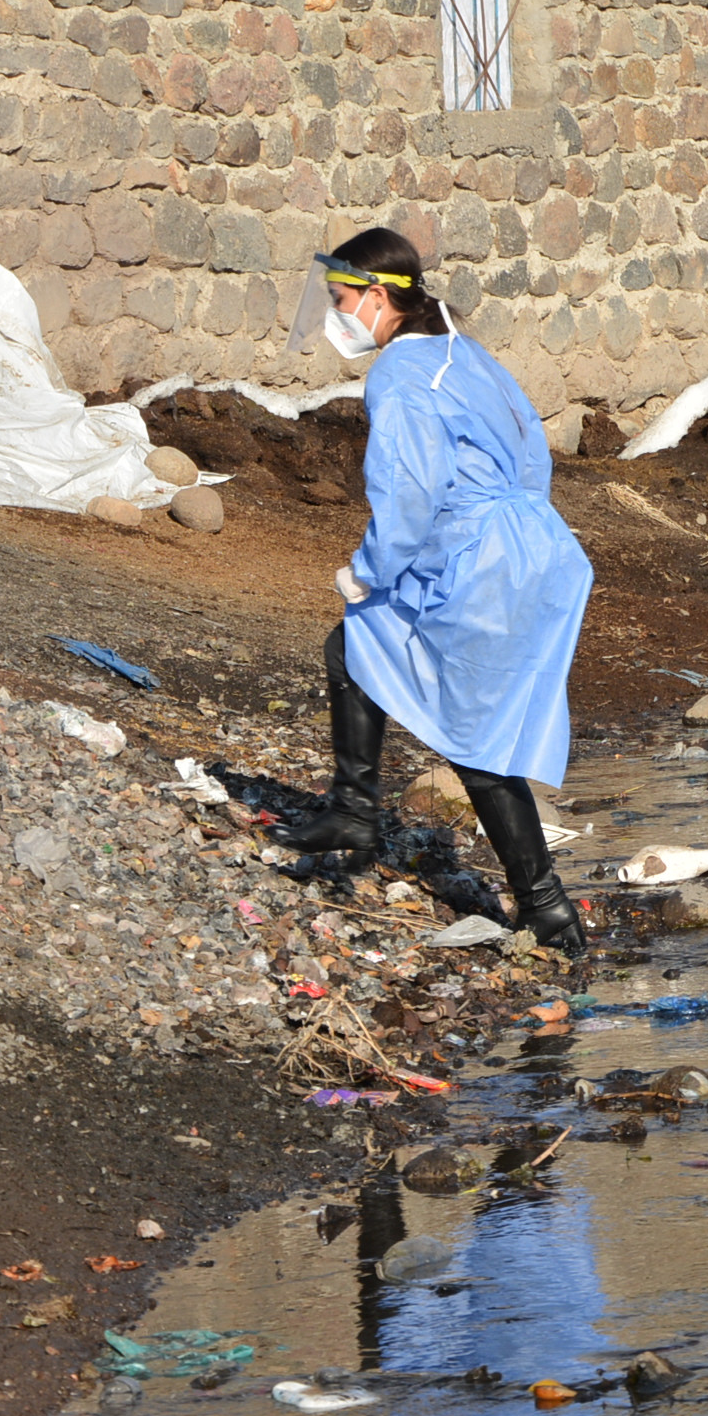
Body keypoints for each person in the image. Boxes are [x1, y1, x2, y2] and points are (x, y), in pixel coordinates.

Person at [270, 227, 593, 956]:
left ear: (380, 298)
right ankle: (356, 811)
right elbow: (526, 450)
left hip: (483, 558)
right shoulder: (462, 353)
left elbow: (410, 494)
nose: (337, 314)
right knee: (356, 650)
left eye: (342, 299)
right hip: (535, 547)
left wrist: (371, 568)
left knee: (468, 727)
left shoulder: (401, 375)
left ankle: (546, 909)